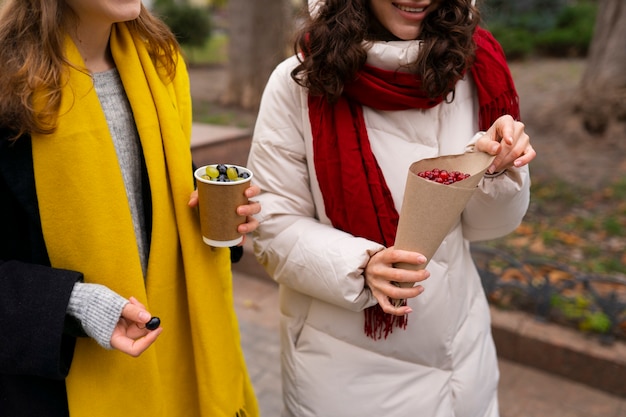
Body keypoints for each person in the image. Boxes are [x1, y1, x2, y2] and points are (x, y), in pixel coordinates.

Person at [246, 0, 536, 416]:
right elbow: (272, 225)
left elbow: (484, 228)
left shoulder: (475, 67)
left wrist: (495, 170)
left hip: (465, 366)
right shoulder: (298, 81)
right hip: (346, 378)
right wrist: (360, 266)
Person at [0, 1, 260, 416]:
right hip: (55, 392)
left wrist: (220, 221)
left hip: (180, 367)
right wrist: (73, 303)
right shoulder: (7, 81)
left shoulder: (159, 63)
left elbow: (158, 199)